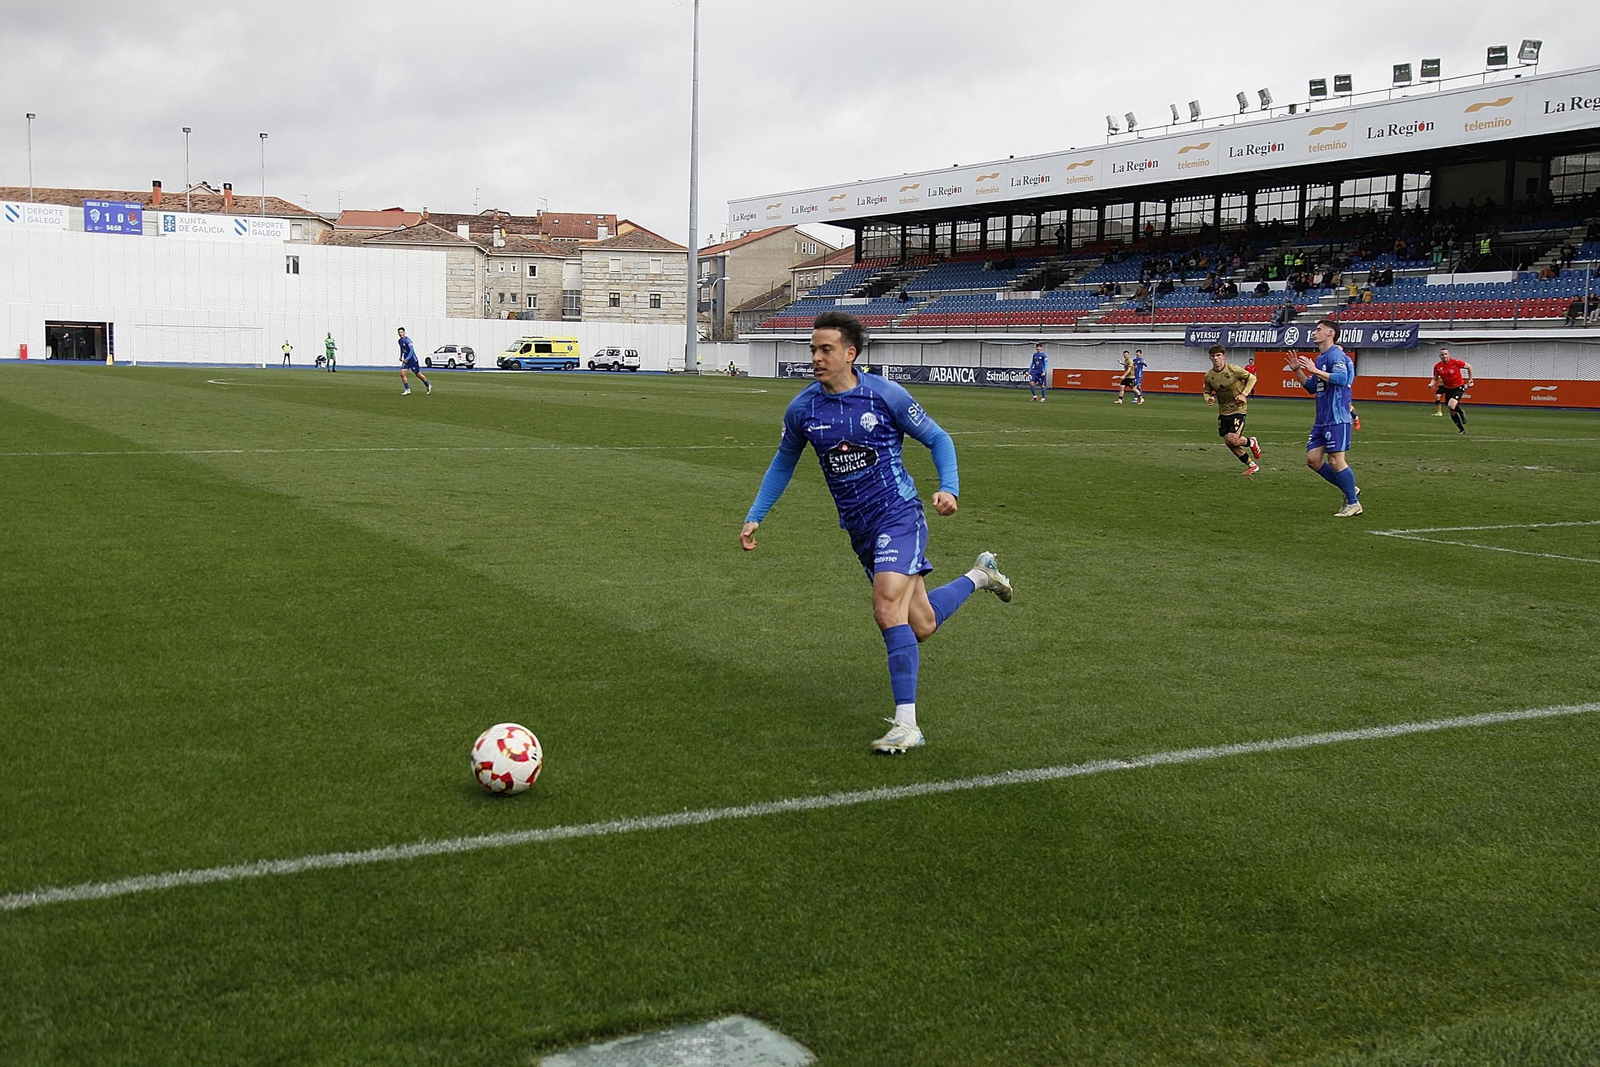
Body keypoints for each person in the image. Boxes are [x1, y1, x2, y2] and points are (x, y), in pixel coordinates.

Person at [739, 310, 1012, 755]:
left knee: (887, 608)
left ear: (851, 352)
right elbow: (784, 461)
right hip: (860, 529)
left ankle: (907, 725)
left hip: (899, 515)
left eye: (825, 349)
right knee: (920, 624)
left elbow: (939, 439)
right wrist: (757, 513)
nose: (816, 357)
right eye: (812, 349)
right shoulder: (803, 408)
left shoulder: (886, 396)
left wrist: (949, 488)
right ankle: (982, 575)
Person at [1290, 318, 1362, 517]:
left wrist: (1314, 370)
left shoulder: (1336, 354)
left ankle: (1353, 503)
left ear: (1330, 333)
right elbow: (1312, 387)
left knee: (1337, 461)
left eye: (1318, 329)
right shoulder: (1322, 358)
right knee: (1313, 460)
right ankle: (1349, 488)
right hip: (1321, 420)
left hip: (1337, 417)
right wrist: (1299, 371)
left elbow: (1343, 379)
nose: (1314, 332)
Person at [1202, 344, 1261, 475]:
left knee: (1233, 439)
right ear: (1210, 358)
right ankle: (1252, 465)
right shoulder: (1209, 376)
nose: (1216, 358)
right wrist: (1208, 398)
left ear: (1224, 356)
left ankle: (1251, 442)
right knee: (1229, 442)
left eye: (1218, 355)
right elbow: (1206, 392)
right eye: (1213, 356)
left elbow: (1252, 378)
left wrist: (1244, 394)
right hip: (1223, 411)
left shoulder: (1233, 369)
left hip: (1238, 408)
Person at [1428, 346, 1474, 434]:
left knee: (1451, 405)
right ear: (1440, 356)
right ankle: (1462, 430)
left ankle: (1461, 412)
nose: (1444, 356)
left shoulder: (1455, 362)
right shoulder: (1437, 366)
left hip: (1459, 387)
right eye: (1442, 355)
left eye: (1446, 354)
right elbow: (1435, 378)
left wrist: (1470, 379)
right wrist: (1431, 384)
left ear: (1449, 355)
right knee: (1452, 411)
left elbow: (1469, 366)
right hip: (1448, 388)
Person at [396, 327, 431, 396]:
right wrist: (401, 356)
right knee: (402, 374)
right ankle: (407, 389)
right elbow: (402, 349)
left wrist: (407, 359)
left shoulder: (408, 340)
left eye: (401, 332)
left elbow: (412, 351)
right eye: (399, 332)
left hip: (412, 360)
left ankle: (428, 385)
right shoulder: (400, 341)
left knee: (418, 374)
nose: (400, 334)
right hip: (406, 360)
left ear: (404, 332)